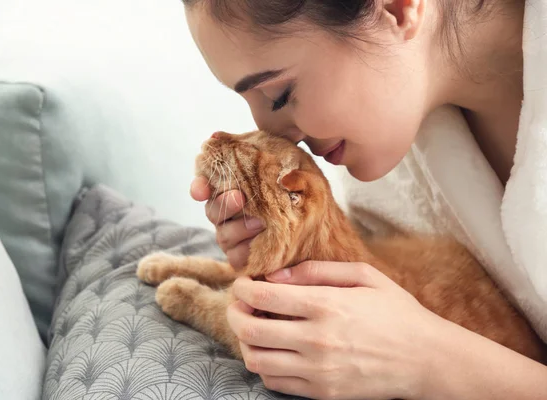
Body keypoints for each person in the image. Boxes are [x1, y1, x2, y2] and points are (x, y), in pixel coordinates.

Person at [185, 0, 547, 399]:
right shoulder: (393, 137)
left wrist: (427, 359)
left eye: (278, 94)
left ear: (395, 8)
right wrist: (290, 250)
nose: (275, 133)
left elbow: (413, 338)